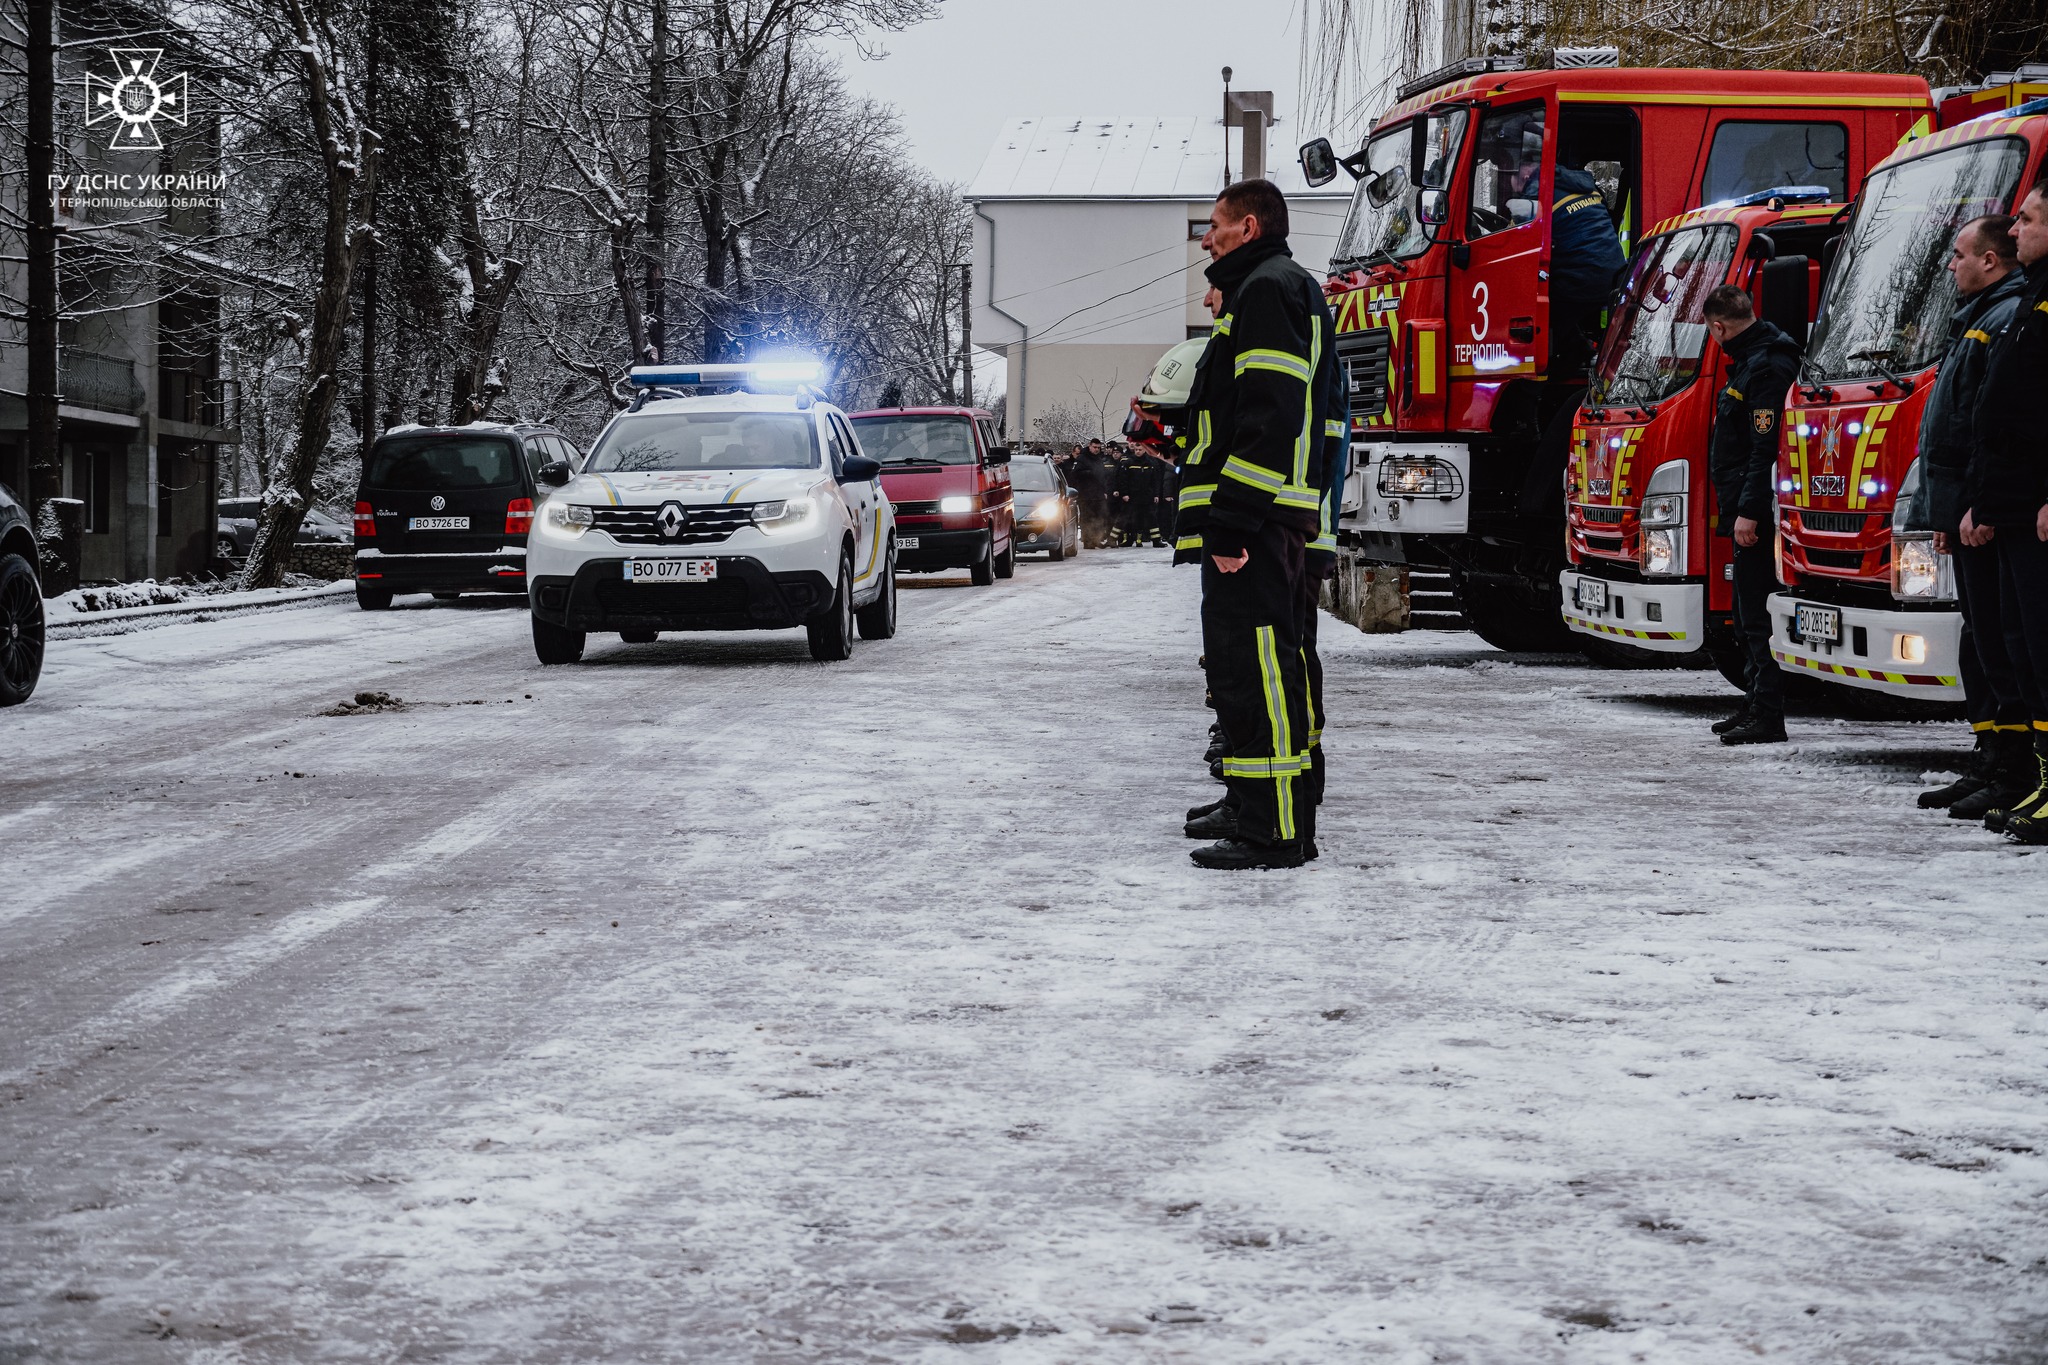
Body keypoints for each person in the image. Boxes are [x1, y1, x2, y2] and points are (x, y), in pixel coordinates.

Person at [1173, 177, 1340, 870]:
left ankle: (1273, 827)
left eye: (1214, 224)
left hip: (1258, 519)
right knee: (1257, 668)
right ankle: (1258, 803)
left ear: (1248, 227)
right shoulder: (1269, 288)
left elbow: (1267, 416)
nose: (1206, 238)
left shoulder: (1268, 289)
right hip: (1267, 516)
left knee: (1259, 668)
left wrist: (1235, 521)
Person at [1906, 216, 2030, 816]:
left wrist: (1975, 503)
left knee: (2003, 645)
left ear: (1989, 260)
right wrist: (1944, 509)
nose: (1951, 265)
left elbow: (1986, 427)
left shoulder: (2003, 319)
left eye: (1959, 254)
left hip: (1983, 512)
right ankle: (1992, 758)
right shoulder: (1980, 321)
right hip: (1965, 511)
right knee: (1979, 642)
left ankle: (2013, 771)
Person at [1963, 175, 2048, 844]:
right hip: (2012, 504)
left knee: (2036, 648)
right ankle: (2028, 774)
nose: (2014, 232)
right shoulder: (2031, 302)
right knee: (2016, 647)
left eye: (2026, 219)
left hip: (2032, 509)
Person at [1703, 283, 1801, 746]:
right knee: (1745, 616)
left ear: (1719, 327)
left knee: (1757, 615)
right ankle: (1754, 703)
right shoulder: (1750, 362)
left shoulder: (1766, 366)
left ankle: (1768, 715)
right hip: (1743, 507)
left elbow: (1765, 451)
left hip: (1755, 514)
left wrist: (1749, 512)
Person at [1548, 163, 1628, 382]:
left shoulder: (1544, 193)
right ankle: (1581, 351)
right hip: (1615, 274)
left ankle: (1542, 384)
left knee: (1538, 316)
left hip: (1588, 277)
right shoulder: (1585, 187)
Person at [1073, 439, 1111, 547]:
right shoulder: (1082, 458)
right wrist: (1090, 472)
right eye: (1094, 447)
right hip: (1085, 494)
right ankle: (1088, 540)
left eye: (1098, 448)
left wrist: (1104, 490)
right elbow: (1075, 474)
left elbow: (1103, 476)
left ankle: (1096, 539)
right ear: (1089, 446)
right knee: (1087, 517)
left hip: (1098, 493)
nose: (1096, 449)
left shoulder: (1099, 458)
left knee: (1099, 517)